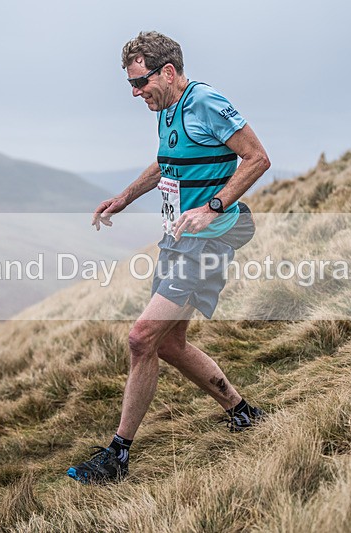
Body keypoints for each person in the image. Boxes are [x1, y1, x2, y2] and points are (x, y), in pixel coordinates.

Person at [67, 31, 271, 484]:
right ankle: (242, 412)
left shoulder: (206, 103)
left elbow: (256, 158)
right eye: (131, 86)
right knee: (170, 345)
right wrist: (125, 196)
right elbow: (167, 162)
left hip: (209, 240)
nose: (137, 93)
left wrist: (212, 207)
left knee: (141, 338)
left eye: (141, 83)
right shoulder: (167, 109)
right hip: (176, 241)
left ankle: (117, 456)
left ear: (169, 72)